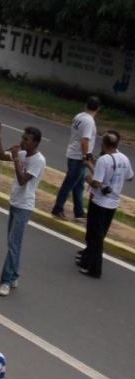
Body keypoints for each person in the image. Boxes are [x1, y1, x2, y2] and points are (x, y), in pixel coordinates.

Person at [0, 123, 46, 296]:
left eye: (26, 139)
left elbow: (23, 180)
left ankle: (7, 281)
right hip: (15, 202)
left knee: (14, 244)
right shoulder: (22, 153)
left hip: (24, 205)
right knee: (12, 242)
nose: (22, 141)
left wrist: (16, 159)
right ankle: (12, 275)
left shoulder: (38, 160)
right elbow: (1, 156)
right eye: (22, 137)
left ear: (35, 143)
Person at [76, 131, 133, 278]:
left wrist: (88, 178)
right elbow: (130, 177)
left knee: (95, 236)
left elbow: (97, 182)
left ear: (104, 143)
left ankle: (94, 269)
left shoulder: (104, 160)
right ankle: (85, 259)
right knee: (99, 235)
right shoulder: (124, 159)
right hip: (113, 204)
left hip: (99, 202)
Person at [52, 96, 100, 221]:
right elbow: (84, 140)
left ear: (86, 105)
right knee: (68, 184)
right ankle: (58, 209)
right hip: (79, 158)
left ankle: (79, 212)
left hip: (74, 154)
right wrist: (86, 156)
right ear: (98, 109)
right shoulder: (89, 121)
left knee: (79, 186)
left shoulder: (79, 116)